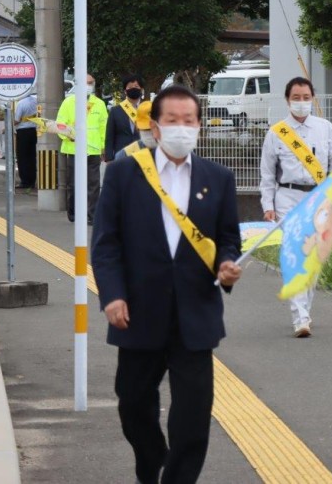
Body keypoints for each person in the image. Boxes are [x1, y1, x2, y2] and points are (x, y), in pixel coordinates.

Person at [91, 84, 242, 484]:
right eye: (172, 121)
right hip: (138, 312)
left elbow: (228, 238)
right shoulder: (125, 173)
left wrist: (227, 264)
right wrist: (112, 295)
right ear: (154, 128)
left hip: (196, 313)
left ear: (199, 127)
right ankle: (151, 460)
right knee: (134, 405)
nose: (181, 128)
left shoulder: (218, 178)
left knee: (193, 416)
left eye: (188, 121)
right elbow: (106, 243)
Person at [260, 76, 332, 337]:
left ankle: (304, 309)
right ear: (287, 100)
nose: (301, 102)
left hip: (318, 199)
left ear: (312, 99)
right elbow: (267, 174)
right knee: (294, 255)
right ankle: (300, 317)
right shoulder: (276, 133)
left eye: (306, 97)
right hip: (287, 198)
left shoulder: (325, 127)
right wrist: (268, 205)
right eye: (296, 98)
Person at [56, 73, 108, 223]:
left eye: (91, 83)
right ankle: (73, 214)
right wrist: (68, 136)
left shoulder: (99, 103)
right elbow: (60, 125)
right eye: (86, 83)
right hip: (74, 149)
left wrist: (104, 147)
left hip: (93, 149)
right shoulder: (69, 102)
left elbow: (103, 127)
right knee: (73, 183)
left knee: (93, 184)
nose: (88, 86)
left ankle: (92, 215)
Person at [104, 74, 144, 161]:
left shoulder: (148, 109)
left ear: (141, 89)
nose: (133, 89)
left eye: (136, 86)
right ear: (125, 91)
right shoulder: (115, 111)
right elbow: (109, 137)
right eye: (130, 87)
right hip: (121, 156)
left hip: (143, 156)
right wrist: (109, 158)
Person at [14, 93, 39, 190]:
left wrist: (7, 125)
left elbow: (17, 120)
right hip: (34, 131)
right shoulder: (35, 101)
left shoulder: (21, 103)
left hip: (23, 132)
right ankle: (32, 181)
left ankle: (25, 181)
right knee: (32, 157)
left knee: (22, 157)